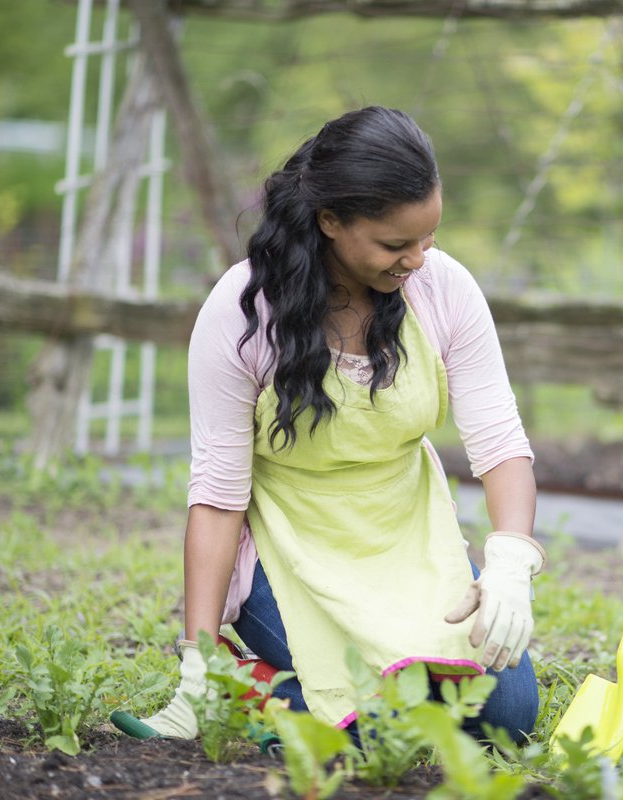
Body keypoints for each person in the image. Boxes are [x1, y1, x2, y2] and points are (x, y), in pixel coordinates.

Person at [111, 105, 544, 743]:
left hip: (407, 537)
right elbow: (217, 495)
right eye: (396, 245)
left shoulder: (442, 289)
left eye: (427, 239)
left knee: (504, 718)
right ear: (330, 220)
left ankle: (288, 696)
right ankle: (239, 686)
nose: (418, 260)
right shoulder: (244, 313)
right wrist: (196, 661)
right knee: (380, 726)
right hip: (290, 545)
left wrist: (509, 558)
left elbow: (501, 441)